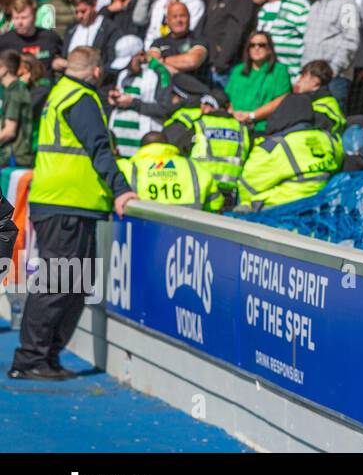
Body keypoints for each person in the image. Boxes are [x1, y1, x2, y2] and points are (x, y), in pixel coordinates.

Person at [11, 46, 136, 381]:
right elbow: (99, 148)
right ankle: (30, 358)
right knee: (59, 282)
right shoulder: (80, 99)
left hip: (68, 202)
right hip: (66, 202)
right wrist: (121, 188)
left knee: (74, 284)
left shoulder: (61, 93)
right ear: (95, 72)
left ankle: (44, 356)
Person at [237, 93, 342, 210]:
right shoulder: (328, 139)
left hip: (279, 210)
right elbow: (338, 159)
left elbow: (247, 186)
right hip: (320, 205)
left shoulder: (273, 147)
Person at [117, 128, 224, 211]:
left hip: (145, 231)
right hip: (187, 232)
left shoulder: (126, 168)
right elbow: (215, 202)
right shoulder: (195, 168)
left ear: (142, 148)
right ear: (167, 145)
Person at [228, 30, 293, 133]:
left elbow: (281, 99)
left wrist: (252, 116)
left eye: (261, 45)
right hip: (234, 126)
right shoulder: (238, 70)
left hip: (263, 128)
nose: (256, 48)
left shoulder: (279, 71)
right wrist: (233, 113)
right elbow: (228, 98)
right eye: (252, 45)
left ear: (269, 49)